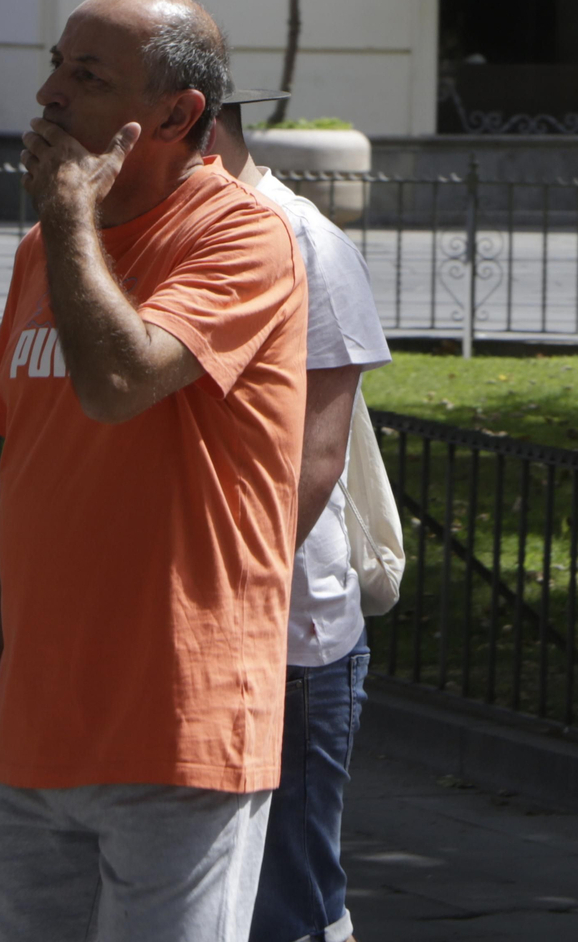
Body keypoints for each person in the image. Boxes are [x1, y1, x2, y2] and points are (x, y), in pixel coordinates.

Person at [0, 0, 309, 942]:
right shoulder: (45, 253)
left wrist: (71, 215)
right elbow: (24, 487)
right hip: (35, 732)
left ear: (177, 114)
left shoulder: (242, 234)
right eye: (57, 64)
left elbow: (117, 384)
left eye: (87, 76)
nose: (48, 95)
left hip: (176, 730)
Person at [208, 88, 391, 942]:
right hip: (208, 632)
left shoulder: (305, 240)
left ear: (195, 124)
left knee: (289, 904)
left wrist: (214, 611)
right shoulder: (181, 234)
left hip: (288, 643)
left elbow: (312, 460)